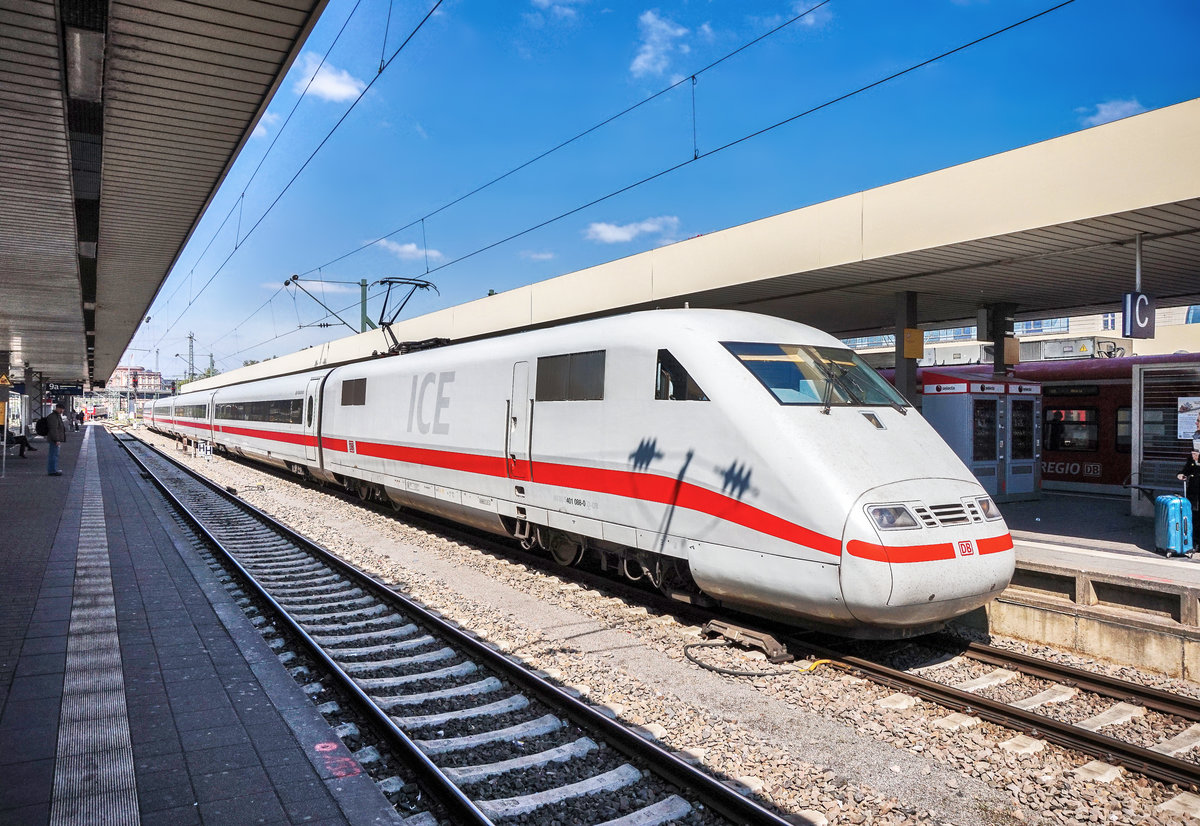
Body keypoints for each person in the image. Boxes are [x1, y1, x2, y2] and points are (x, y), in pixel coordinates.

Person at [46, 403, 66, 476]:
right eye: (61, 409)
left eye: (63, 409)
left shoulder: (56, 416)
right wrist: (56, 439)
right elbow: (53, 429)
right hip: (54, 439)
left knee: (55, 454)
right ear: (57, 408)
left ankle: (53, 469)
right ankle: (52, 471)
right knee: (53, 455)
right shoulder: (53, 417)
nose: (62, 411)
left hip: (55, 439)